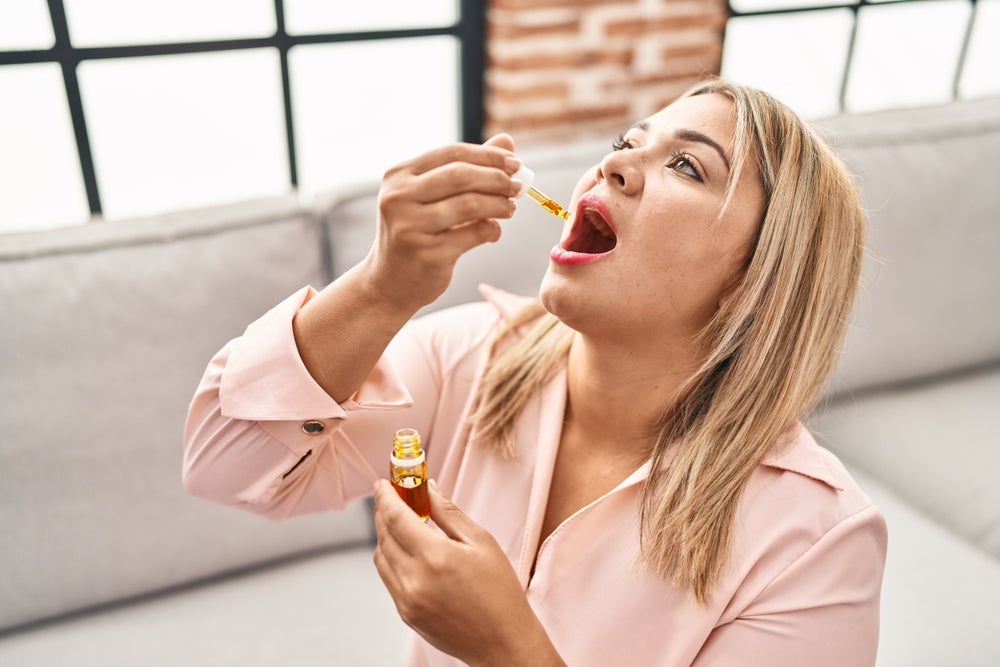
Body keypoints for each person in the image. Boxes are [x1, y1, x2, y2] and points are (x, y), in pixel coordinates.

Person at [183, 77, 887, 666]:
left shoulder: (817, 540)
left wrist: (509, 651)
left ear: (756, 280)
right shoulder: (471, 353)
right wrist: (379, 287)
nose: (612, 166)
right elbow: (221, 463)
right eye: (627, 143)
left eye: (687, 166)